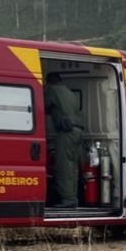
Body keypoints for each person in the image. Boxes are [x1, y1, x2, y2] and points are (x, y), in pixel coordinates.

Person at [45, 78, 84, 207]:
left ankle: (68, 200)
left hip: (67, 131)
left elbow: (41, 104)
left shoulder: (52, 89)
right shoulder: (68, 92)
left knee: (63, 165)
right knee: (73, 167)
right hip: (77, 131)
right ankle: (73, 198)